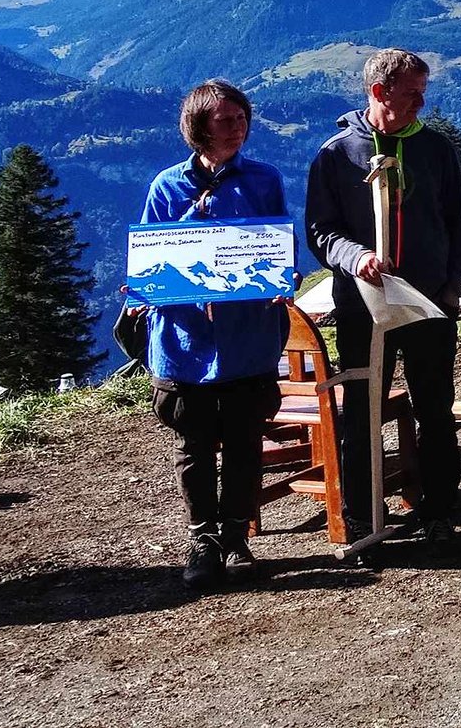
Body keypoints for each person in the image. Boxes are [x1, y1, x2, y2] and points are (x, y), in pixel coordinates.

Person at [307, 48, 461, 545]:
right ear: (379, 92)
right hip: (362, 305)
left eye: (423, 92)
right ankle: (361, 512)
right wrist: (355, 256)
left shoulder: (437, 150)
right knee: (363, 409)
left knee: (435, 407)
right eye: (411, 94)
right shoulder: (336, 154)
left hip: (430, 305)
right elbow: (320, 230)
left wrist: (451, 287)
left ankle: (438, 510)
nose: (421, 103)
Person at [138, 79, 292, 592]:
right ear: (198, 127)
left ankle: (237, 538)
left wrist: (281, 278)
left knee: (246, 444)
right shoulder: (166, 187)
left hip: (247, 340)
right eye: (225, 120)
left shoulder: (264, 180)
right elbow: (153, 258)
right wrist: (189, 226)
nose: (238, 127)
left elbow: (278, 245)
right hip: (186, 345)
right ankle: (201, 539)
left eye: (242, 118)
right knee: (194, 446)